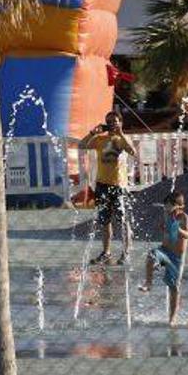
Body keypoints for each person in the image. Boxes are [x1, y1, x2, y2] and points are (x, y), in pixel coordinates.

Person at [80, 111, 137, 265]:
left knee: (123, 220)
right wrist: (93, 132)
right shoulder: (100, 139)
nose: (112, 123)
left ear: (120, 122)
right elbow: (81, 145)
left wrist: (121, 133)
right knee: (105, 221)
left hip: (119, 185)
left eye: (115, 121)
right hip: (102, 184)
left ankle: (126, 253)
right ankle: (106, 252)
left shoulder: (122, 139)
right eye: (109, 121)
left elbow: (132, 151)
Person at [138, 191, 188, 325]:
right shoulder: (167, 216)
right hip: (164, 251)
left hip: (176, 257)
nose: (166, 208)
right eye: (165, 205)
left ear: (178, 206)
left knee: (174, 287)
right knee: (151, 255)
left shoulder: (184, 218)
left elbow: (187, 235)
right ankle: (148, 283)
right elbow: (164, 229)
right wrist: (163, 227)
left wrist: (178, 230)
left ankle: (172, 318)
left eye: (168, 206)